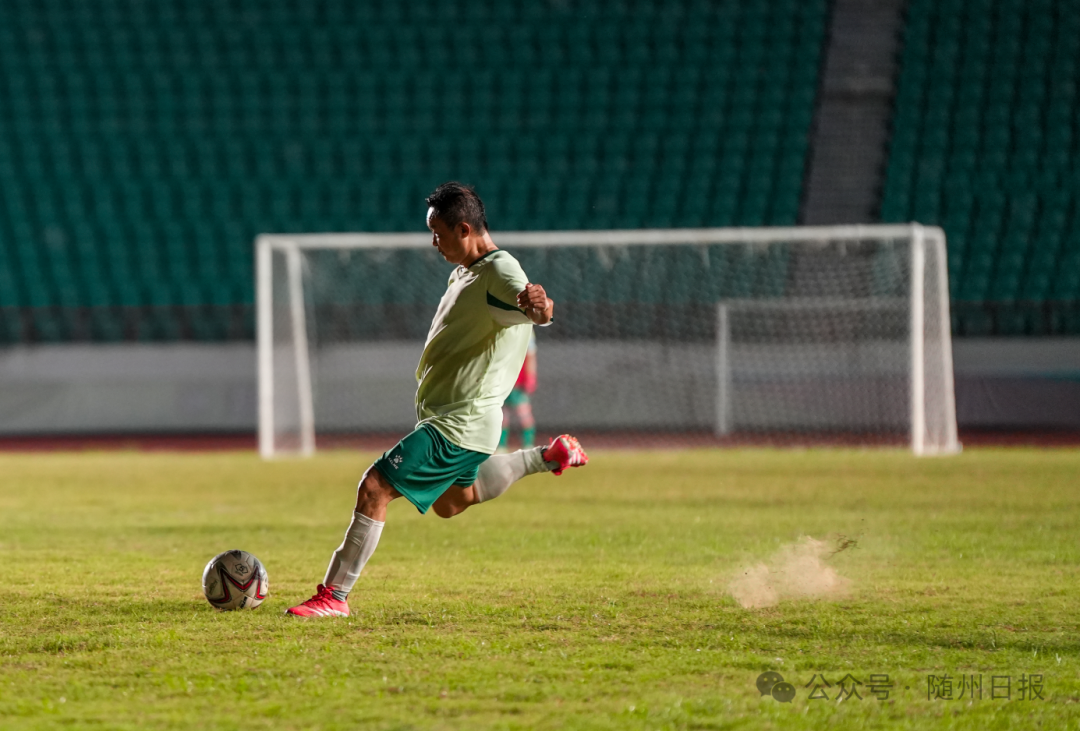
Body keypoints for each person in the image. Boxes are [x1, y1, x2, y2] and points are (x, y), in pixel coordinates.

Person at [287, 182, 588, 618]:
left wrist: (542, 307)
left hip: (456, 425)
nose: (434, 243)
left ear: (464, 228)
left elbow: (537, 310)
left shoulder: (502, 272)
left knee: (374, 487)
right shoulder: (468, 269)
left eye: (438, 233)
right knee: (452, 503)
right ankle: (545, 456)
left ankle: (334, 597)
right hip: (464, 423)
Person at [500, 332, 537, 450]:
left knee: (524, 414)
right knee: (501, 416)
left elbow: (531, 355)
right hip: (503, 380)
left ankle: (528, 445)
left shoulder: (527, 331)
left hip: (518, 382)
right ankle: (500, 446)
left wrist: (530, 377)